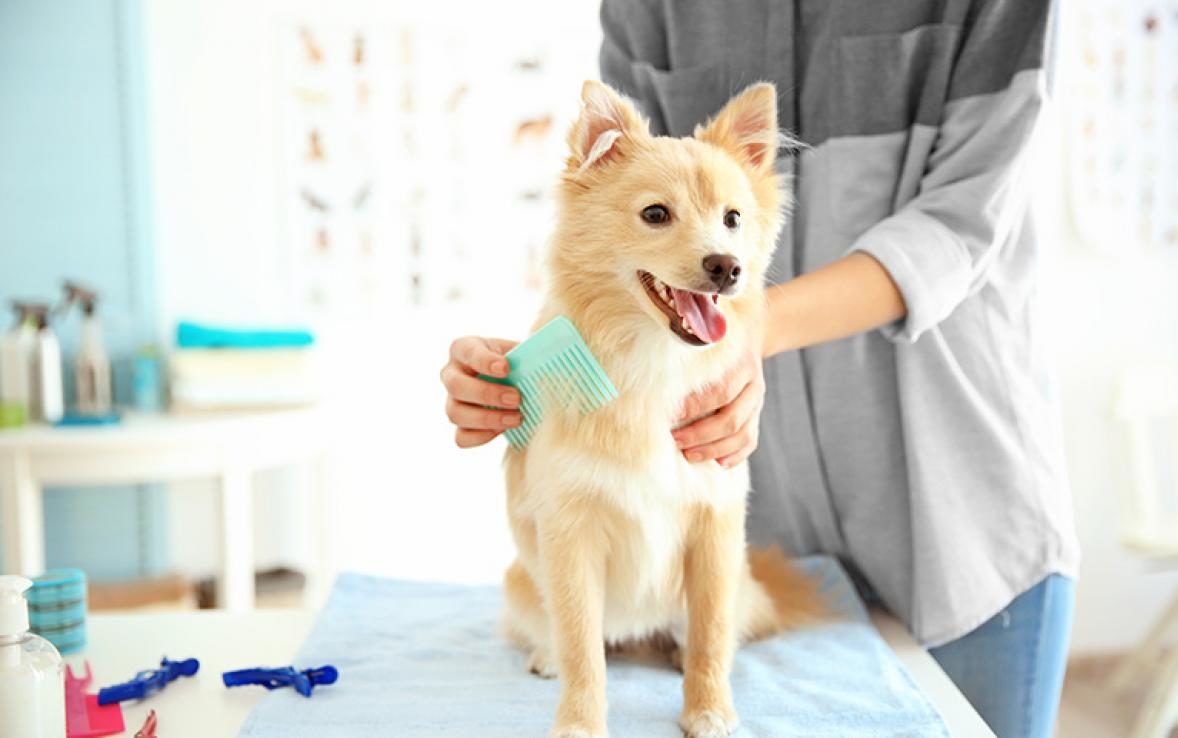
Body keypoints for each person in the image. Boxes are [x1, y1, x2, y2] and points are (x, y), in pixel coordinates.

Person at [440, 1, 1079, 736]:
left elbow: (962, 222)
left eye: (732, 226)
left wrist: (749, 332)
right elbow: (607, 230)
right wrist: (515, 373)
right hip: (753, 519)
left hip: (955, 505)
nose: (719, 251)